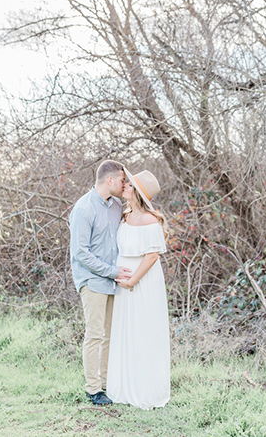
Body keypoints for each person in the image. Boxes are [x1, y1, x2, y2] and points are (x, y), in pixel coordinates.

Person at [107, 168, 170, 410]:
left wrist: (133, 280)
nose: (124, 186)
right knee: (125, 331)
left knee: (144, 332)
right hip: (123, 281)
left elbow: (152, 255)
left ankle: (145, 389)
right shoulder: (124, 215)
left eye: (129, 185)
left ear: (138, 193)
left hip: (142, 282)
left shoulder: (150, 220)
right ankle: (123, 386)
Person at [69, 160, 132, 406]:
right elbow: (81, 253)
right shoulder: (84, 209)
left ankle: (106, 385)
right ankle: (93, 390)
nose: (124, 184)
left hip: (112, 280)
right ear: (110, 180)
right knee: (94, 335)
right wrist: (112, 272)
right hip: (93, 280)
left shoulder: (116, 206)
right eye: (122, 180)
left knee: (109, 335)